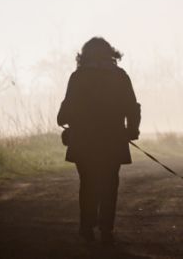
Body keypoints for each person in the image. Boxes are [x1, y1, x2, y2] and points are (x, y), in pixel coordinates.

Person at [57, 37, 141, 243]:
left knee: (87, 183)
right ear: (110, 54)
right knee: (110, 184)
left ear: (84, 55)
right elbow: (132, 107)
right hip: (113, 141)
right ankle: (106, 229)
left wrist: (64, 119)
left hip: (84, 141)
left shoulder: (78, 77)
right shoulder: (120, 76)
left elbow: (65, 111)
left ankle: (87, 226)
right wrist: (132, 130)